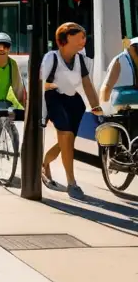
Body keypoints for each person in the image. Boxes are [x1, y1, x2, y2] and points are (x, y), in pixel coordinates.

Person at [40, 23, 101, 198]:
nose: (84, 40)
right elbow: (39, 83)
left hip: (74, 102)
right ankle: (72, 183)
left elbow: (87, 85)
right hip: (54, 97)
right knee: (66, 136)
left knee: (66, 142)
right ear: (65, 40)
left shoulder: (80, 59)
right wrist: (51, 85)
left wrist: (96, 107)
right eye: (79, 37)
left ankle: (44, 164)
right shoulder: (51, 58)